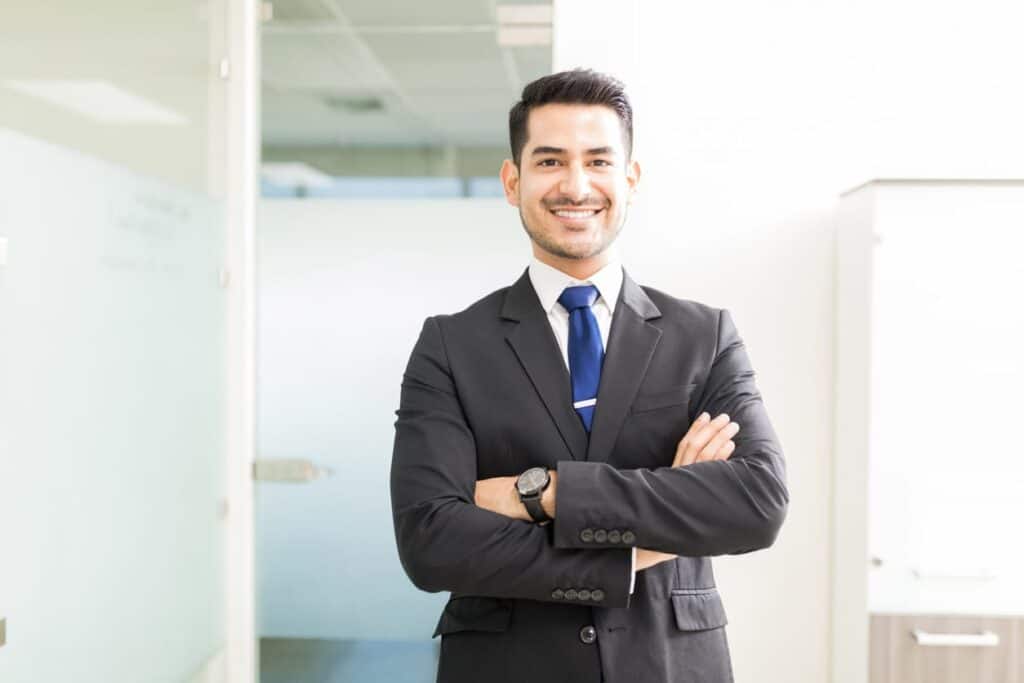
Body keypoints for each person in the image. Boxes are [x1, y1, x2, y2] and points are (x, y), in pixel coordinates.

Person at [389, 68, 789, 683]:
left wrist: (541, 492)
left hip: (671, 665)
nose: (575, 186)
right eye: (550, 162)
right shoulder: (450, 345)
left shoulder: (703, 337)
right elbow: (431, 541)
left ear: (630, 179)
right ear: (512, 180)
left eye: (599, 162)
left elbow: (756, 502)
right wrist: (648, 535)